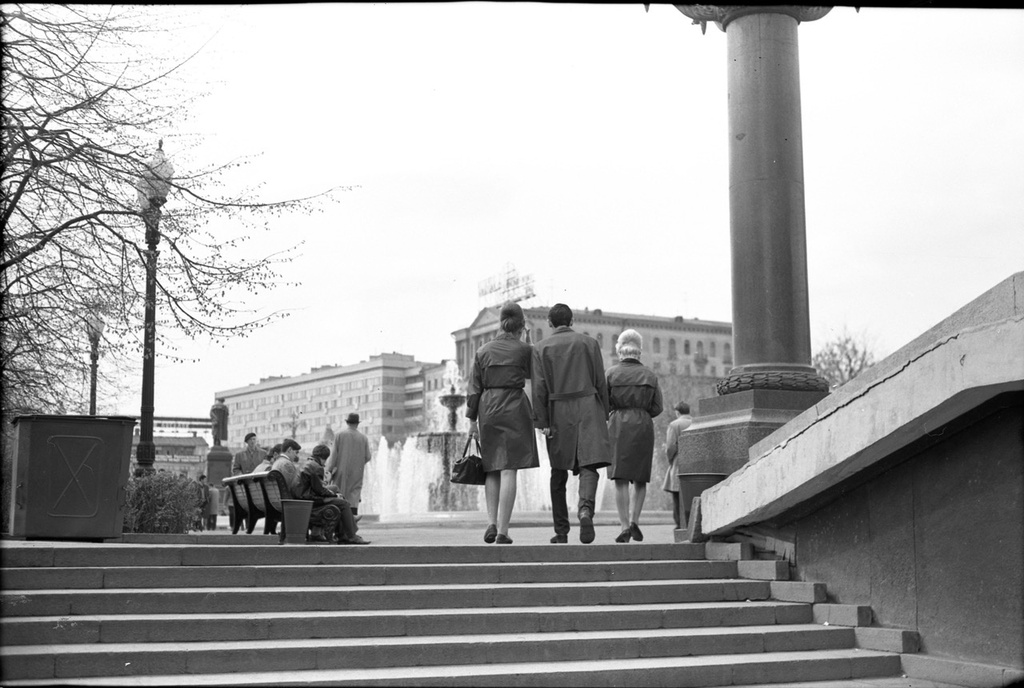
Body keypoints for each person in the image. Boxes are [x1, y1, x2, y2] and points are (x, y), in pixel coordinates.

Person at [532, 303, 612, 544]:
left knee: (558, 472)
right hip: (589, 408)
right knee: (589, 465)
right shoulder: (589, 343)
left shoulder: (539, 348)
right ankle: (586, 510)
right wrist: (604, 413)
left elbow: (539, 388)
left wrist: (542, 421)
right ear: (572, 320)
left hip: (558, 413)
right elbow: (600, 381)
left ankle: (561, 531)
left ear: (549, 322)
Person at [466, 301, 540, 545]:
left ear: (500, 323)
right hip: (515, 407)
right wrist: (527, 342)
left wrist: (471, 422)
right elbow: (533, 374)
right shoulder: (523, 350)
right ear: (521, 325)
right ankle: (503, 531)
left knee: (492, 467)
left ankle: (491, 522)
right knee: (510, 468)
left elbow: (474, 388)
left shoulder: (483, 351)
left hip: (488, 409)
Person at [605, 329, 663, 543]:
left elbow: (603, 404)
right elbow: (658, 407)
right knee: (640, 477)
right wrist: (642, 412)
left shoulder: (611, 373)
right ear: (639, 352)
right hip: (643, 425)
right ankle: (635, 520)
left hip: (618, 425)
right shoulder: (650, 375)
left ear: (620, 351)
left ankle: (623, 526)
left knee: (620, 477)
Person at [299, 442, 369, 545]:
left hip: (304, 497)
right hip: (310, 500)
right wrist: (334, 495)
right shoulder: (317, 467)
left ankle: (343, 534)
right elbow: (320, 491)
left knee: (337, 495)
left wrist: (332, 492)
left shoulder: (309, 463)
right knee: (342, 503)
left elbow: (317, 487)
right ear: (324, 458)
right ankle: (350, 536)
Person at [326, 413, 372, 521]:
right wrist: (359, 463)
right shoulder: (363, 438)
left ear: (347, 422)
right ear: (357, 424)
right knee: (353, 498)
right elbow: (368, 456)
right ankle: (352, 525)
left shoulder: (339, 435)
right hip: (357, 473)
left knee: (339, 496)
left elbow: (333, 456)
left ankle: (340, 528)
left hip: (341, 473)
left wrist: (329, 470)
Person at [661, 401, 692, 530]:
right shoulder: (697, 422)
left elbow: (670, 447)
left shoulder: (674, 425)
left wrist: (670, 459)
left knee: (677, 496)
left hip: (679, 462)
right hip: (694, 463)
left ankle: (680, 524)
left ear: (677, 412)